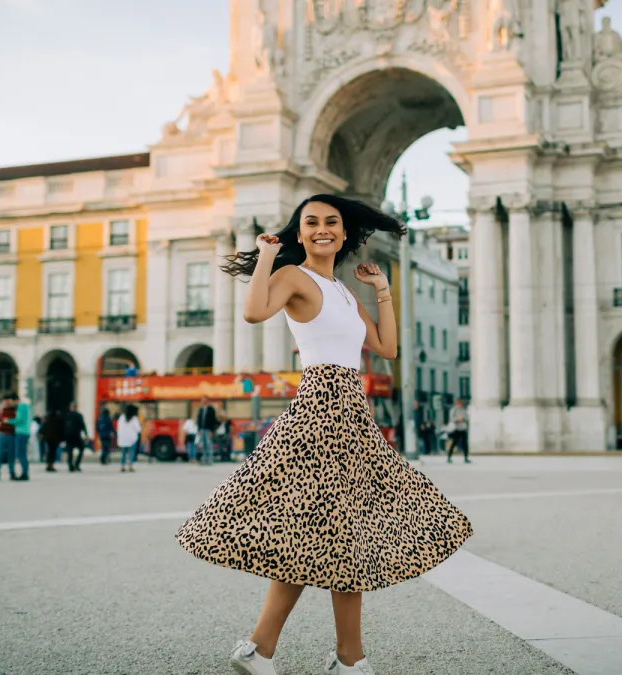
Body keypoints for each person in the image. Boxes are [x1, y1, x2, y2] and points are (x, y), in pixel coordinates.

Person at [175, 194, 472, 675]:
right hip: (319, 409)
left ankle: (265, 650)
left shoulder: (343, 292)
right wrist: (268, 255)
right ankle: (346, 660)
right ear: (300, 232)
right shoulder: (295, 277)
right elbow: (253, 313)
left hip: (351, 413)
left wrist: (382, 291)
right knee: (342, 534)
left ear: (344, 232)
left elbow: (386, 347)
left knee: (325, 537)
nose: (321, 229)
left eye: (331, 222)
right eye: (310, 222)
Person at [0, 394, 19, 481]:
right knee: (0, 454)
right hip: (2, 434)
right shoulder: (0, 411)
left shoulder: (15, 410)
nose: (7, 403)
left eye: (9, 401)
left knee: (11, 455)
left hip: (12, 434)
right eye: (5, 401)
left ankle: (12, 473)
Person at [195, 396, 221, 466]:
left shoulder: (211, 409)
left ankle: (209, 460)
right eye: (202, 400)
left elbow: (213, 421)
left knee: (209, 445)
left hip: (208, 430)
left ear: (207, 401)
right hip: (202, 430)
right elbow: (199, 420)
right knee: (203, 445)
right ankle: (204, 460)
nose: (203, 401)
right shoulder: (201, 409)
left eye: (204, 400)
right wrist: (198, 429)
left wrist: (212, 431)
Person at [64, 402, 88, 472]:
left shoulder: (67, 415)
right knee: (81, 449)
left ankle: (71, 465)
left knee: (70, 451)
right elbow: (83, 425)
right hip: (76, 435)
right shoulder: (78, 415)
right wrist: (86, 433)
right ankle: (76, 464)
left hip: (69, 436)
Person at [117, 404, 142, 472]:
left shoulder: (121, 417)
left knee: (124, 453)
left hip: (123, 438)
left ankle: (122, 466)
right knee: (132, 452)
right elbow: (138, 429)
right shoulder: (134, 418)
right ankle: (130, 466)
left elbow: (118, 427)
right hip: (132, 438)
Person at [12, 394, 31, 480]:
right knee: (22, 454)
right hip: (25, 432)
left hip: (21, 432)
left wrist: (7, 421)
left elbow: (20, 419)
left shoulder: (21, 406)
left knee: (20, 454)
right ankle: (25, 472)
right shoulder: (26, 406)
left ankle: (25, 473)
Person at [448, 398, 470, 464]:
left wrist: (463, 419)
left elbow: (467, 418)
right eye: (458, 403)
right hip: (456, 429)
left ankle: (466, 458)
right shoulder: (453, 410)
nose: (460, 404)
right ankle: (449, 457)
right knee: (454, 443)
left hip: (463, 429)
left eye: (460, 403)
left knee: (465, 444)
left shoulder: (464, 410)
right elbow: (451, 419)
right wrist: (458, 419)